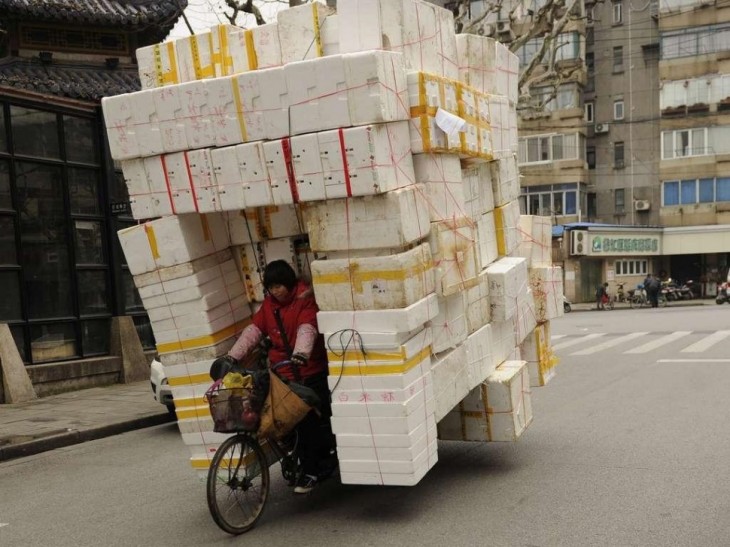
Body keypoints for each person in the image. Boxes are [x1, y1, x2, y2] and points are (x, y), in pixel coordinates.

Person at [221, 260, 332, 494]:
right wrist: (231, 357)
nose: (275, 291)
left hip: (309, 371)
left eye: (279, 286)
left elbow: (307, 328)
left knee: (307, 421)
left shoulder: (305, 300)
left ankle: (314, 469)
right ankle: (300, 459)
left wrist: (302, 353)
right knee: (282, 419)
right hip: (283, 374)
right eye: (271, 287)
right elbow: (253, 331)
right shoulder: (268, 307)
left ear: (290, 284)